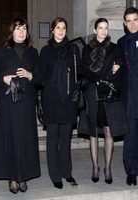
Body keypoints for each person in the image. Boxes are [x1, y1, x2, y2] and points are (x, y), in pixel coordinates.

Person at [0, 17, 41, 194]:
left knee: (25, 140)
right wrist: (3, 79)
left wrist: (30, 75)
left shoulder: (33, 52)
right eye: (18, 28)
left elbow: (40, 77)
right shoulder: (1, 49)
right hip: (7, 102)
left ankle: (23, 176)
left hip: (26, 102)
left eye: (24, 28)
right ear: (12, 31)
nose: (22, 31)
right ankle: (12, 177)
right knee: (9, 138)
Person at [78, 18, 129, 184]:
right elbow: (84, 70)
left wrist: (112, 75)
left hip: (109, 94)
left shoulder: (115, 48)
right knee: (93, 132)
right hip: (92, 94)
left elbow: (121, 69)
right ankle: (95, 166)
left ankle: (107, 167)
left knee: (108, 132)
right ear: (94, 30)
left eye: (106, 28)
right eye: (100, 27)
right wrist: (102, 76)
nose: (103, 31)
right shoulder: (87, 49)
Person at [40, 17, 79, 189]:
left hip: (69, 100)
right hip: (51, 99)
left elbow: (80, 72)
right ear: (52, 30)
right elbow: (41, 77)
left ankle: (66, 172)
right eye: (58, 28)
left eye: (64, 28)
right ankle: (55, 175)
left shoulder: (73, 49)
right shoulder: (45, 51)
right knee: (52, 139)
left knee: (66, 139)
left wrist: (80, 86)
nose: (61, 31)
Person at [117, 7, 138, 186]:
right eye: (129, 20)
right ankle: (131, 171)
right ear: (124, 23)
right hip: (129, 96)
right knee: (130, 136)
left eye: (135, 19)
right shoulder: (120, 42)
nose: (132, 23)